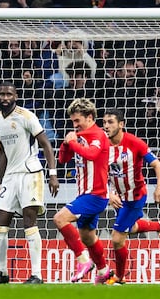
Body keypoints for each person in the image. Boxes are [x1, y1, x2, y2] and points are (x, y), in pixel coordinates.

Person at [0, 81, 59, 284]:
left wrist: (52, 174)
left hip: (30, 173)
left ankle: (36, 274)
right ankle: (2, 273)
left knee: (29, 222)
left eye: (9, 94)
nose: (5, 98)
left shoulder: (26, 116)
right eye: (1, 94)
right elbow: (2, 152)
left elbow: (46, 144)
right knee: (0, 224)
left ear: (16, 96)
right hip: (10, 177)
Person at [102, 108, 160, 285]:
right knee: (130, 227)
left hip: (135, 196)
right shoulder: (103, 145)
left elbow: (158, 166)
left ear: (121, 124)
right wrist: (108, 193)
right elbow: (98, 172)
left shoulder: (135, 143)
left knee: (117, 239)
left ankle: (119, 277)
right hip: (119, 197)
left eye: (110, 122)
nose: (106, 126)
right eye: (104, 122)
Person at [53, 97, 111, 285]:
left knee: (59, 218)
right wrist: (66, 143)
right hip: (85, 194)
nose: (75, 125)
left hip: (96, 194)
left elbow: (92, 155)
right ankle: (103, 271)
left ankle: (83, 260)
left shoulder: (98, 135)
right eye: (73, 122)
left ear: (90, 117)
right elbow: (62, 159)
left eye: (78, 121)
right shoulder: (79, 136)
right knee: (87, 236)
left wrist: (74, 142)